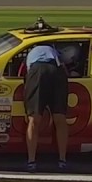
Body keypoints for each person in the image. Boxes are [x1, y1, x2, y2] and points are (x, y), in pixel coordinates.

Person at [22, 43, 70, 172]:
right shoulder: (55, 51)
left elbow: (24, 73)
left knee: (34, 119)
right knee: (60, 118)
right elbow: (66, 67)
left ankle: (31, 161)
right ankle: (62, 160)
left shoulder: (32, 52)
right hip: (56, 70)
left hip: (37, 71)